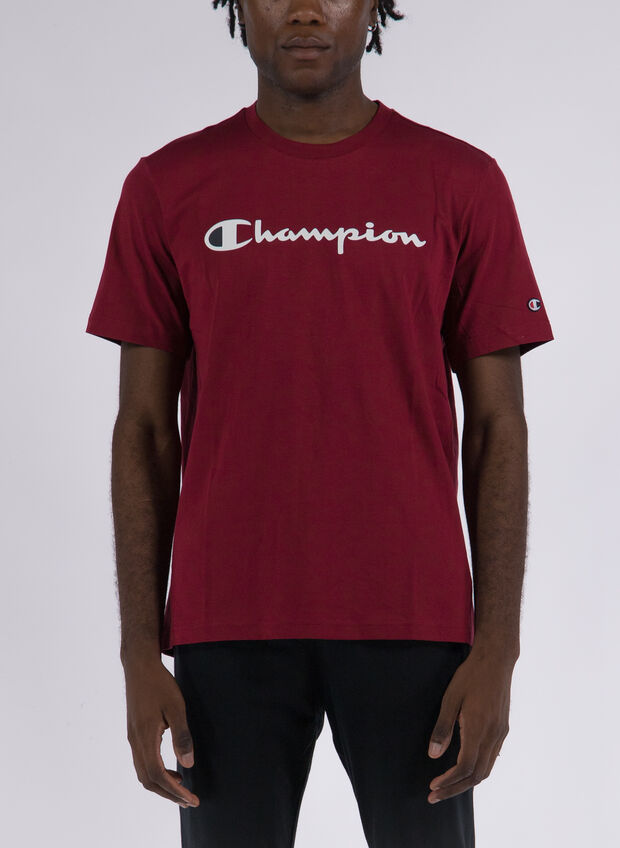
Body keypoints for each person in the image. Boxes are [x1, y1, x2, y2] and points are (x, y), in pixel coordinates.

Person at [85, 2, 555, 846]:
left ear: (375, 5)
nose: (305, 8)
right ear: (238, 5)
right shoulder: (167, 185)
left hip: (413, 618)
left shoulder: (460, 181)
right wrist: (137, 653)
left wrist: (498, 650)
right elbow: (144, 430)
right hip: (225, 623)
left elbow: (498, 428)